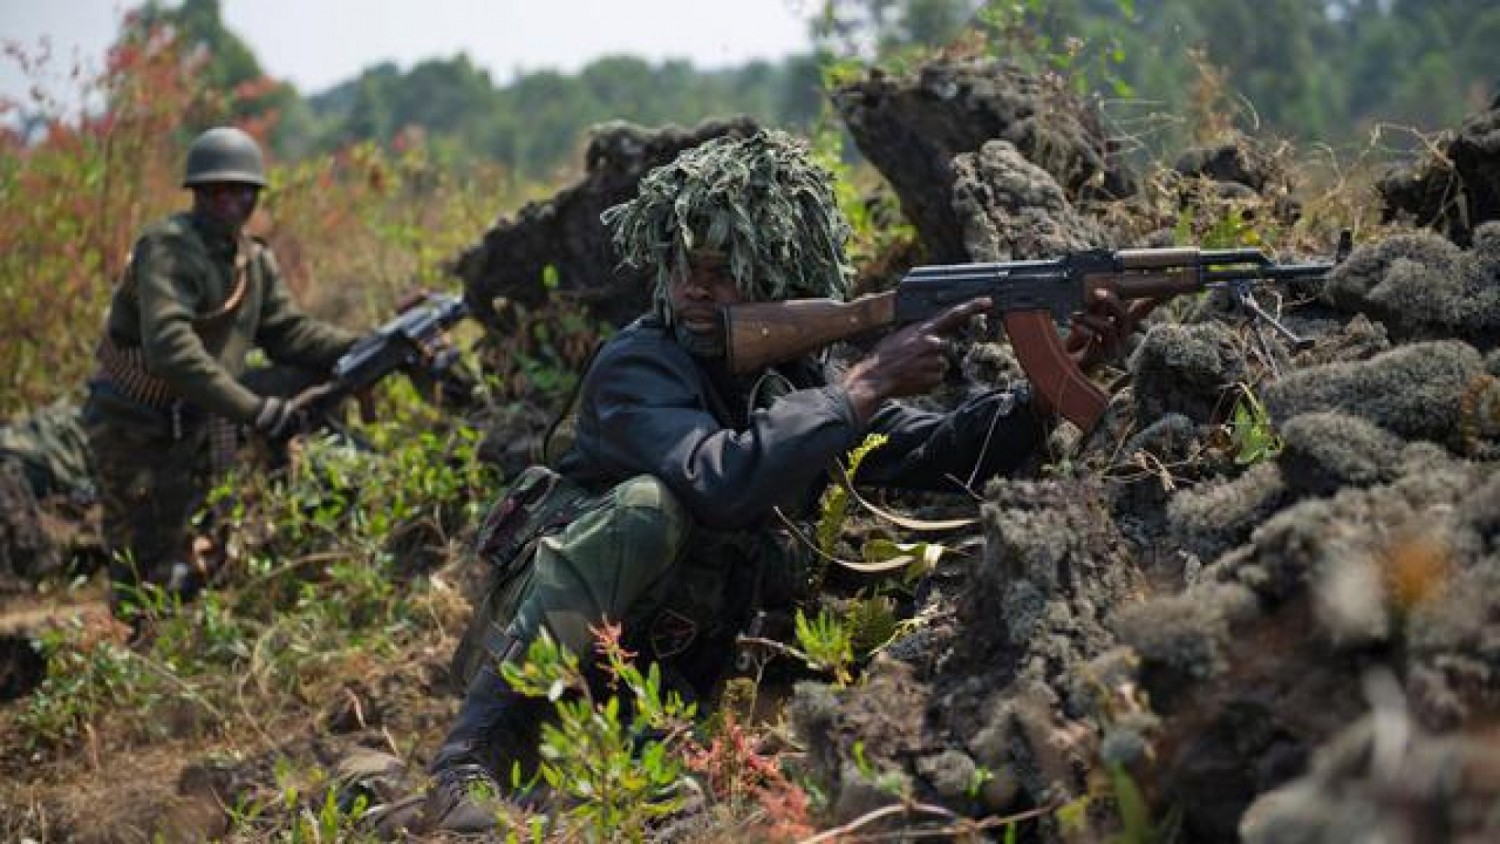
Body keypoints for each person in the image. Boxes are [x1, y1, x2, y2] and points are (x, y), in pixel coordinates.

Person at [383, 129, 1136, 836]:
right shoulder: (638, 366)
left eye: (722, 273)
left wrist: (1049, 388)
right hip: (545, 672)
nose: (695, 291)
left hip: (657, 689)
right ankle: (464, 761)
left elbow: (925, 452)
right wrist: (864, 383)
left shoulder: (794, 371)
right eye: (683, 269)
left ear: (779, 279)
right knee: (650, 507)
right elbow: (720, 482)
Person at [83, 125, 360, 616]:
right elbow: (172, 349)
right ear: (197, 194)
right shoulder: (168, 249)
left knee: (203, 553)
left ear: (255, 196)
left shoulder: (252, 261)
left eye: (241, 190)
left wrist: (362, 348)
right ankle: (134, 664)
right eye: (215, 190)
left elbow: (288, 333)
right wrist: (254, 410)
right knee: (141, 573)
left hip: (199, 420)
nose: (229, 201)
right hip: (137, 427)